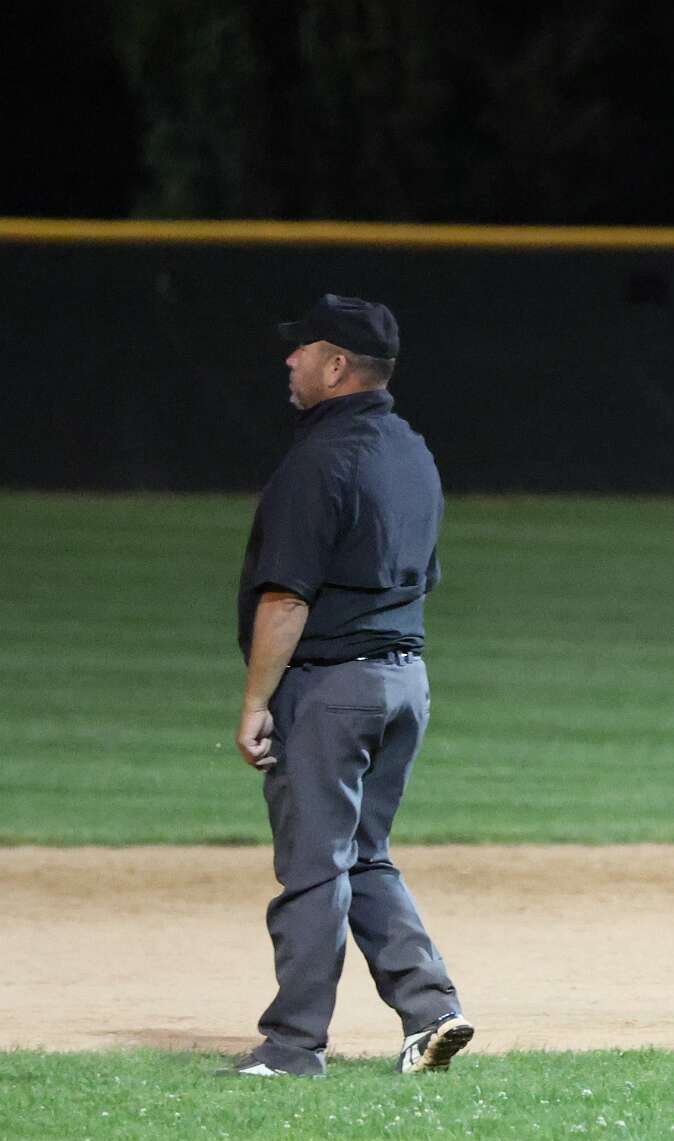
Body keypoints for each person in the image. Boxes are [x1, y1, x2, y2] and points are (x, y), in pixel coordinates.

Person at [229, 294, 473, 1076]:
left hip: (331, 688)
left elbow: (285, 597)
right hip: (405, 682)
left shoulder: (319, 460)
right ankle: (431, 1013)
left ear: (337, 366)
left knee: (314, 868)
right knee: (364, 855)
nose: (289, 359)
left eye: (302, 348)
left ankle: (292, 1047)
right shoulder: (412, 452)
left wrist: (256, 702)